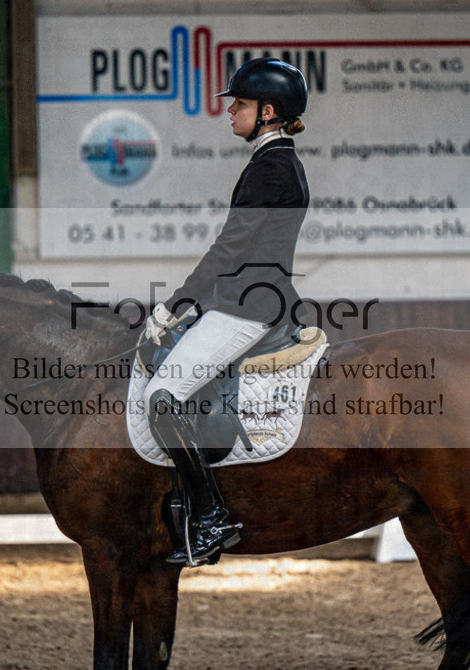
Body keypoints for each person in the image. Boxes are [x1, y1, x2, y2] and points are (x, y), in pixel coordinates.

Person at [143, 57, 310, 565]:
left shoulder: (273, 167)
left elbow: (230, 247)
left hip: (249, 306)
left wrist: (176, 303)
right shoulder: (271, 162)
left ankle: (211, 515)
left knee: (163, 395)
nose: (230, 111)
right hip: (244, 298)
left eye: (238, 103)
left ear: (268, 111)